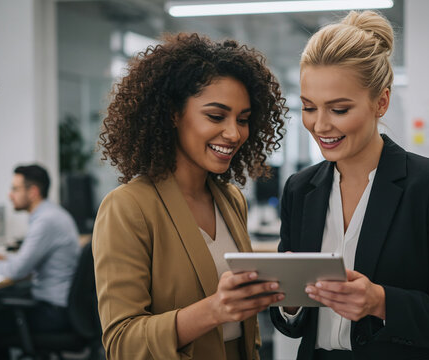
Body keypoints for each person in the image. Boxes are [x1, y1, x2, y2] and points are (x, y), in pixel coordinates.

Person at [269, 10, 429, 359]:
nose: (320, 125)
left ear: (380, 102)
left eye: (339, 109)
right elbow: (291, 324)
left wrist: (381, 302)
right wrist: (288, 301)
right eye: (309, 107)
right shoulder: (300, 188)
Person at [93, 33, 287, 360]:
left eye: (243, 119)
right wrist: (214, 309)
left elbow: (245, 331)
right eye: (216, 116)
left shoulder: (230, 200)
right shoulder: (128, 207)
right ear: (173, 113)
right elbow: (122, 342)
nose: (234, 133)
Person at [0, 164, 81, 359]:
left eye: (15, 189)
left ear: (33, 191)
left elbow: (18, 271)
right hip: (65, 308)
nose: (10, 195)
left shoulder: (45, 221)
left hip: (53, 313)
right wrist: (4, 258)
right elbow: (28, 260)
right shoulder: (53, 214)